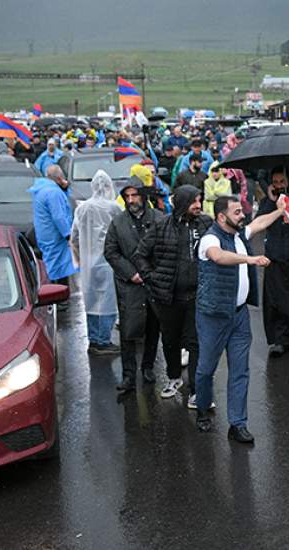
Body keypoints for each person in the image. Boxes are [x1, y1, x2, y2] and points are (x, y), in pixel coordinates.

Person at [193, 195, 285, 443]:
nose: (242, 215)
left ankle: (237, 424)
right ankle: (202, 410)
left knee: (240, 370)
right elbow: (218, 256)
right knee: (205, 370)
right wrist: (250, 259)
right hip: (214, 316)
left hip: (239, 316)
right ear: (221, 217)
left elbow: (259, 223)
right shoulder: (210, 238)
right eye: (236, 212)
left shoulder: (239, 235)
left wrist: (279, 211)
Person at [135, 185, 210, 405]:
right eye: (194, 201)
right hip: (168, 297)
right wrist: (151, 278)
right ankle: (174, 377)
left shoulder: (206, 224)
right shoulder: (161, 226)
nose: (198, 205)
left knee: (196, 342)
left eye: (199, 200)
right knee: (170, 340)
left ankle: (197, 390)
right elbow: (140, 255)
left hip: (197, 296)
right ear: (182, 203)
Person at [104, 177, 164, 390]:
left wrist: (154, 272)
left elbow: (167, 248)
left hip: (153, 282)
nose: (131, 200)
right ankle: (128, 375)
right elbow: (111, 252)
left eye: (134, 195)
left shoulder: (159, 218)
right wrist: (131, 273)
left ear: (143, 195)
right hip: (129, 285)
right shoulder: (118, 222)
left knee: (153, 326)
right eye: (127, 196)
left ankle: (147, 367)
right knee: (129, 329)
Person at [70, 171, 121, 355]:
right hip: (109, 261)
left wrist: (79, 257)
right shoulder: (114, 208)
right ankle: (103, 340)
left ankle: (94, 339)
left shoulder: (82, 209)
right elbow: (122, 233)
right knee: (107, 299)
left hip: (89, 261)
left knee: (91, 299)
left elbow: (74, 236)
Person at [259, 167, 289, 356]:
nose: (279, 185)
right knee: (274, 300)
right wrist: (271, 203)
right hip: (274, 257)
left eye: (282, 182)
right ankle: (278, 339)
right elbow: (259, 222)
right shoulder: (267, 202)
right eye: (276, 182)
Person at [29, 164, 78, 286]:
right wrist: (68, 235)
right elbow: (59, 216)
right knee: (57, 267)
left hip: (46, 233)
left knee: (52, 264)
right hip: (55, 236)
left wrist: (64, 188)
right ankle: (59, 297)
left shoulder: (43, 189)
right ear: (60, 177)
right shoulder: (53, 192)